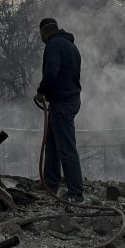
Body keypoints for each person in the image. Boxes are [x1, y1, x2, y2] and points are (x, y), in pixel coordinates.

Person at [34, 17, 84, 203]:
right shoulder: (71, 47)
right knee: (52, 144)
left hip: (63, 103)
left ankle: (76, 192)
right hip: (69, 100)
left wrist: (41, 91)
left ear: (43, 32)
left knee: (66, 147)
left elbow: (51, 73)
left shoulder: (53, 45)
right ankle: (50, 182)